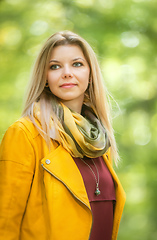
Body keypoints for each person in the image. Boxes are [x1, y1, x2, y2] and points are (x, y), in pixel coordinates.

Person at [0, 30, 126, 240]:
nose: (66, 73)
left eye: (77, 64)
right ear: (45, 77)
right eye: (55, 66)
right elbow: (4, 222)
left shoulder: (97, 140)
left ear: (90, 73)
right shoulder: (25, 133)